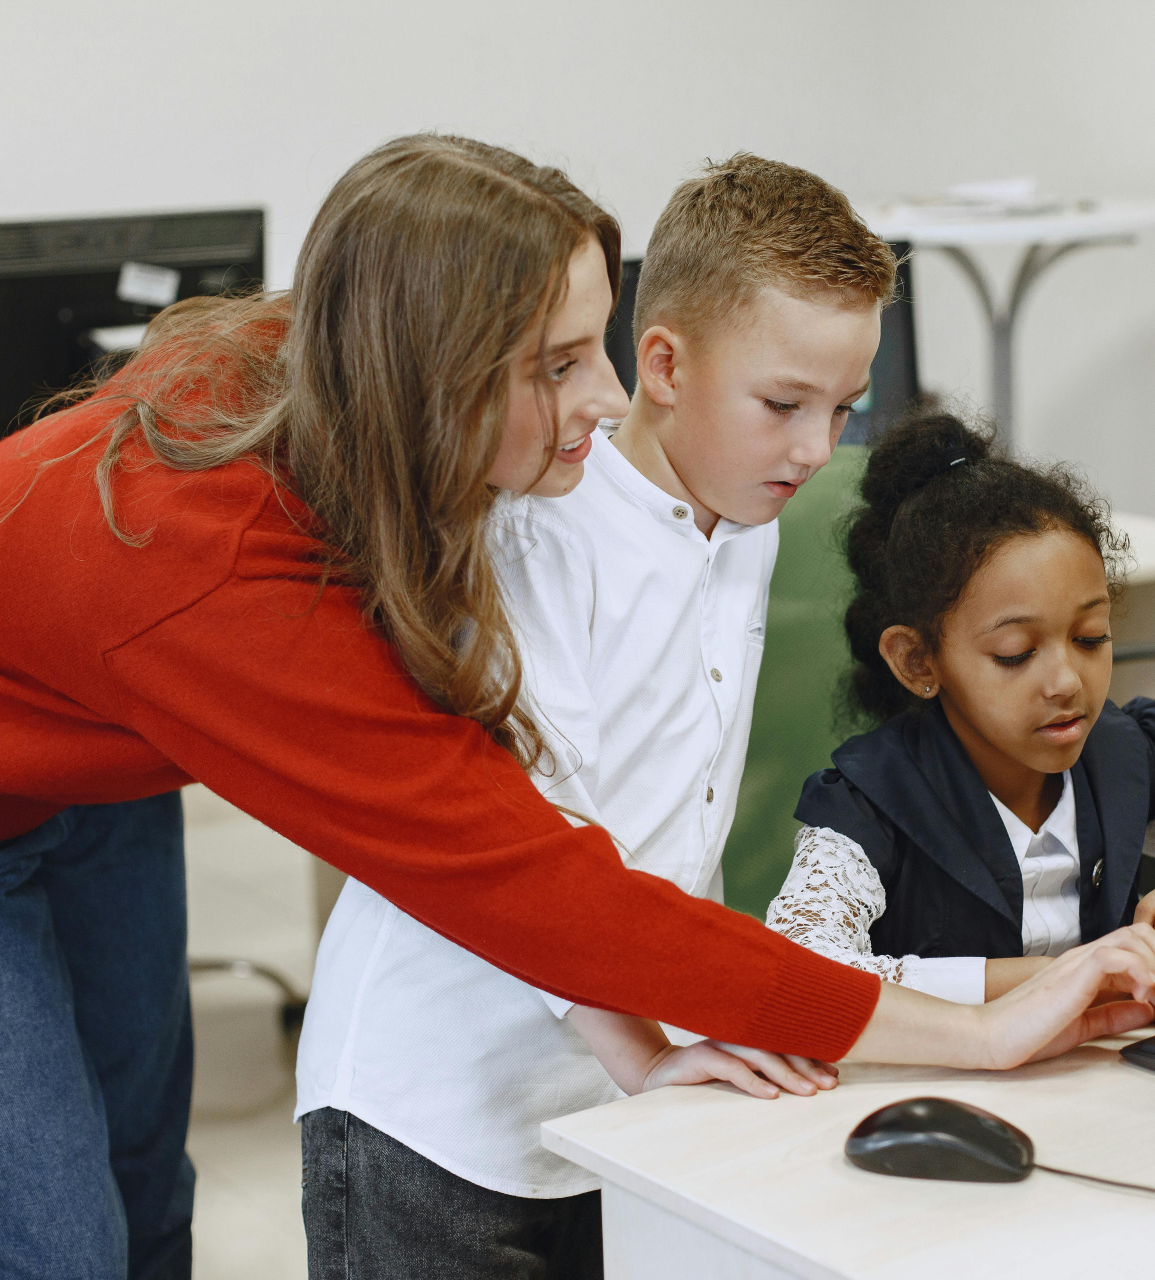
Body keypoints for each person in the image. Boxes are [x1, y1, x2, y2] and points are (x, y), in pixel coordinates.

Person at [0, 135, 1155, 1280]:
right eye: (558, 366)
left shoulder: (356, 383)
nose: (605, 398)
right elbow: (537, 889)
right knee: (50, 1245)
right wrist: (973, 1035)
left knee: (143, 1186)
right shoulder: (226, 582)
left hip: (87, 754)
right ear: (435, 374)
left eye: (595, 341)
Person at [297, 153, 891, 1278]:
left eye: (842, 408)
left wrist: (664, 1050)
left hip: (608, 1095)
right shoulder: (538, 534)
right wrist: (645, 1055)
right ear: (662, 364)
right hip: (434, 1109)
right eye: (784, 405)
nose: (818, 448)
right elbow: (543, 850)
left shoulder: (744, 522)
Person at [767, 410, 1155, 1003]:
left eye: (1090, 637)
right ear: (918, 661)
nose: (1066, 681)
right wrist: (1078, 976)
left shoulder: (1125, 754)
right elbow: (797, 975)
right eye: (1016, 653)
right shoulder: (871, 805)